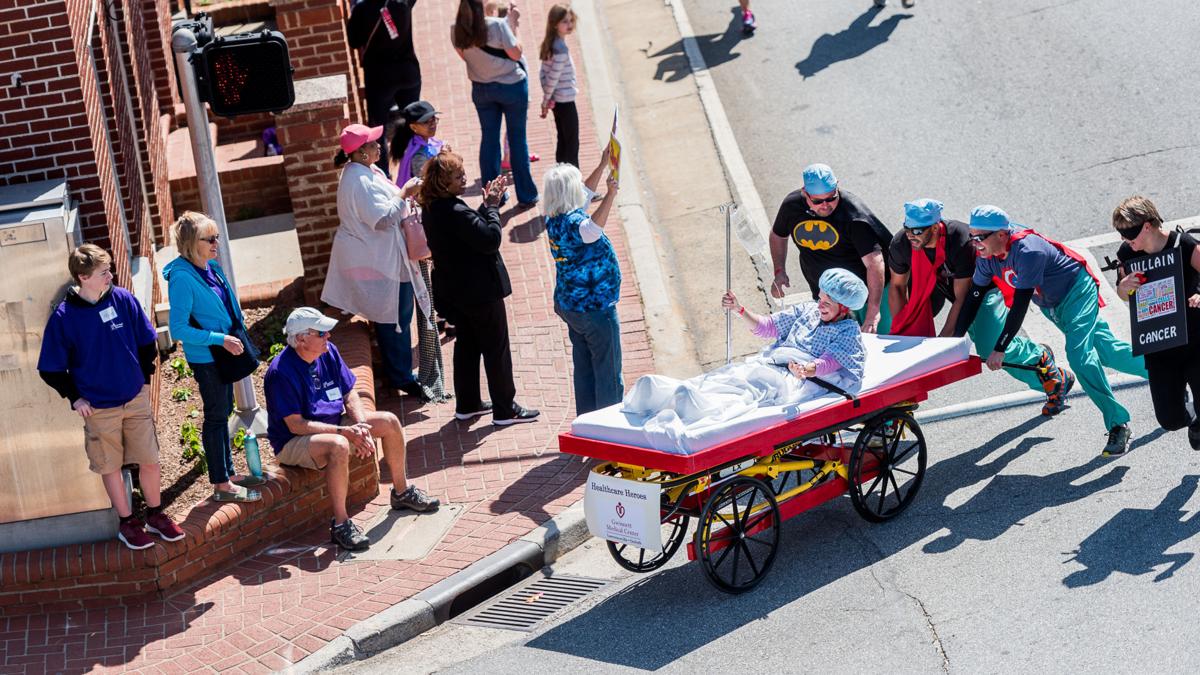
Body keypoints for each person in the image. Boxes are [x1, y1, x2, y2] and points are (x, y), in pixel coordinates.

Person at [952, 205, 1147, 457]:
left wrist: (1000, 349)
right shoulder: (987, 256)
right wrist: (953, 343)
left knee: (1079, 356)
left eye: (980, 237)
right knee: (1108, 352)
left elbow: (1020, 306)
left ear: (1001, 235)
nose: (975, 243)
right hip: (1052, 304)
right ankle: (1169, 372)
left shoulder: (1027, 251)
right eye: (972, 236)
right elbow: (974, 297)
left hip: (1077, 291)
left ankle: (1117, 423)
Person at [38, 244, 186, 550]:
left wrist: (144, 381)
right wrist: (75, 398)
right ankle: (127, 523)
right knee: (111, 467)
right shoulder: (64, 317)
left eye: (109, 270)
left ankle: (156, 515)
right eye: (103, 272)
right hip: (98, 409)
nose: (110, 276)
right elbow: (50, 369)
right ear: (83, 277)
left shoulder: (122, 298)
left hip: (134, 399)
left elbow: (148, 343)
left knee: (150, 460)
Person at [264, 308, 439, 552]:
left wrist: (360, 426)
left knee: (388, 421)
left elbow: (349, 392)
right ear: (302, 339)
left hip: (334, 423)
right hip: (295, 440)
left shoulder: (328, 352)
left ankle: (401, 492)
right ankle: (341, 524)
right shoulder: (280, 372)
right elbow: (296, 425)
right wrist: (345, 432)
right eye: (322, 332)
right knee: (339, 446)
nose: (329, 337)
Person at [888, 199, 1071, 415]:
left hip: (983, 290)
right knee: (979, 348)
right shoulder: (902, 243)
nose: (911, 235)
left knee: (990, 347)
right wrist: (902, 332)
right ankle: (1049, 375)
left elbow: (964, 298)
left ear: (936, 227)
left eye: (917, 230)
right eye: (907, 228)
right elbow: (898, 287)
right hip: (946, 289)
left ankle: (1042, 360)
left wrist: (946, 343)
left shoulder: (959, 240)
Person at [418, 150, 540, 425]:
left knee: (468, 346)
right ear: (443, 182)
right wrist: (494, 207)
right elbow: (489, 239)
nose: (464, 179)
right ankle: (505, 409)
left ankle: (468, 403)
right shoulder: (454, 211)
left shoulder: (433, 207)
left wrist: (486, 207)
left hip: (457, 292)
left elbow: (470, 233)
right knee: (496, 349)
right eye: (457, 176)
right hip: (480, 293)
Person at [322, 123, 432, 402]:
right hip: (377, 260)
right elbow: (382, 219)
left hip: (378, 256)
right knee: (394, 317)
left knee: (395, 314)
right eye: (372, 143)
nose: (378, 146)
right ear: (359, 153)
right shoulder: (358, 180)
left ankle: (400, 372)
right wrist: (404, 192)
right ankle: (402, 377)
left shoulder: (365, 171)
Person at [164, 212, 262, 503]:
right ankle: (221, 484)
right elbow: (178, 328)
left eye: (216, 236)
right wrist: (220, 339)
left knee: (223, 412)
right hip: (208, 358)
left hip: (224, 352)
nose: (216, 242)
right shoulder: (181, 279)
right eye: (210, 239)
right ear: (194, 244)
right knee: (216, 417)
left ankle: (228, 474)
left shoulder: (211, 267)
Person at [1111, 196, 1200, 449]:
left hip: (1195, 340)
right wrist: (1124, 287)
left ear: (1148, 225)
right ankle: (1190, 416)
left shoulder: (1183, 244)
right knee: (1169, 420)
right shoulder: (1127, 253)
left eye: (1130, 234)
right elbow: (1122, 290)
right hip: (1159, 345)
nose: (1125, 240)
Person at [543, 148, 622, 416]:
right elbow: (592, 230)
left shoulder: (554, 217)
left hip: (571, 305)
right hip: (594, 308)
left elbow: (585, 195)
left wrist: (601, 165)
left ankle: (588, 423)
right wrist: (610, 195)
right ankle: (610, 429)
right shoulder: (578, 224)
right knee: (608, 370)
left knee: (585, 365)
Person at [769, 163, 893, 333]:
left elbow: (875, 264)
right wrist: (779, 270)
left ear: (837, 187)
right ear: (805, 193)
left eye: (831, 198)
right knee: (834, 344)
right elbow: (778, 235)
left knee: (877, 342)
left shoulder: (853, 215)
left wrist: (873, 311)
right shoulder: (792, 207)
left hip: (865, 295)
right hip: (825, 293)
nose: (825, 205)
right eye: (817, 201)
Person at [390, 101, 451, 402]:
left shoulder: (424, 145)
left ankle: (445, 316)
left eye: (434, 119)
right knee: (433, 281)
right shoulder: (421, 156)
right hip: (423, 229)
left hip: (423, 226)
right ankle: (445, 317)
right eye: (428, 121)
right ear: (414, 127)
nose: (433, 124)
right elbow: (431, 190)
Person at [452, 0, 539, 208]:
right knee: (518, 139)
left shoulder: (456, 30)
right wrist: (514, 25)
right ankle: (526, 194)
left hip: (482, 88)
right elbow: (516, 53)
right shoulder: (498, 26)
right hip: (512, 87)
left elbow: (465, 57)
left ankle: (493, 197)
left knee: (489, 139)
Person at [723, 268, 867, 390]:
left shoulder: (848, 332)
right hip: (775, 364)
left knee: (751, 391)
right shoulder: (808, 310)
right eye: (820, 299)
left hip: (800, 379)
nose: (819, 306)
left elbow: (829, 363)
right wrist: (739, 309)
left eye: (827, 303)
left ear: (844, 307)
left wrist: (804, 370)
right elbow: (767, 326)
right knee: (729, 381)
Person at [347, 0, 422, 175]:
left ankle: (384, 176)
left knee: (378, 130)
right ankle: (416, 172)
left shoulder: (362, 8)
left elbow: (354, 41)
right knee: (414, 124)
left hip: (379, 77)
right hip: (408, 71)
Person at [538, 4, 580, 168]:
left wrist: (548, 98)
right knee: (571, 142)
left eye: (571, 21)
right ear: (555, 23)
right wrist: (545, 100)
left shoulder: (551, 44)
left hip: (557, 101)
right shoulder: (560, 49)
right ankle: (573, 179)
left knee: (563, 138)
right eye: (564, 22)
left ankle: (561, 173)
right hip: (565, 101)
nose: (569, 25)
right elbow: (552, 78)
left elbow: (544, 74)